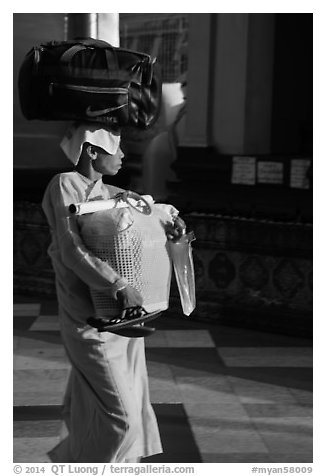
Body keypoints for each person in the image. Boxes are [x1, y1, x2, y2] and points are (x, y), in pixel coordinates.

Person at [41, 122, 185, 463]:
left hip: (124, 319)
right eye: (115, 150)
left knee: (104, 408)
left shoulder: (112, 194)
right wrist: (117, 284)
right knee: (122, 419)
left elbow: (141, 227)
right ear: (92, 151)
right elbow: (71, 249)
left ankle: (73, 464)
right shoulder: (64, 185)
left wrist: (172, 228)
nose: (122, 156)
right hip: (89, 321)